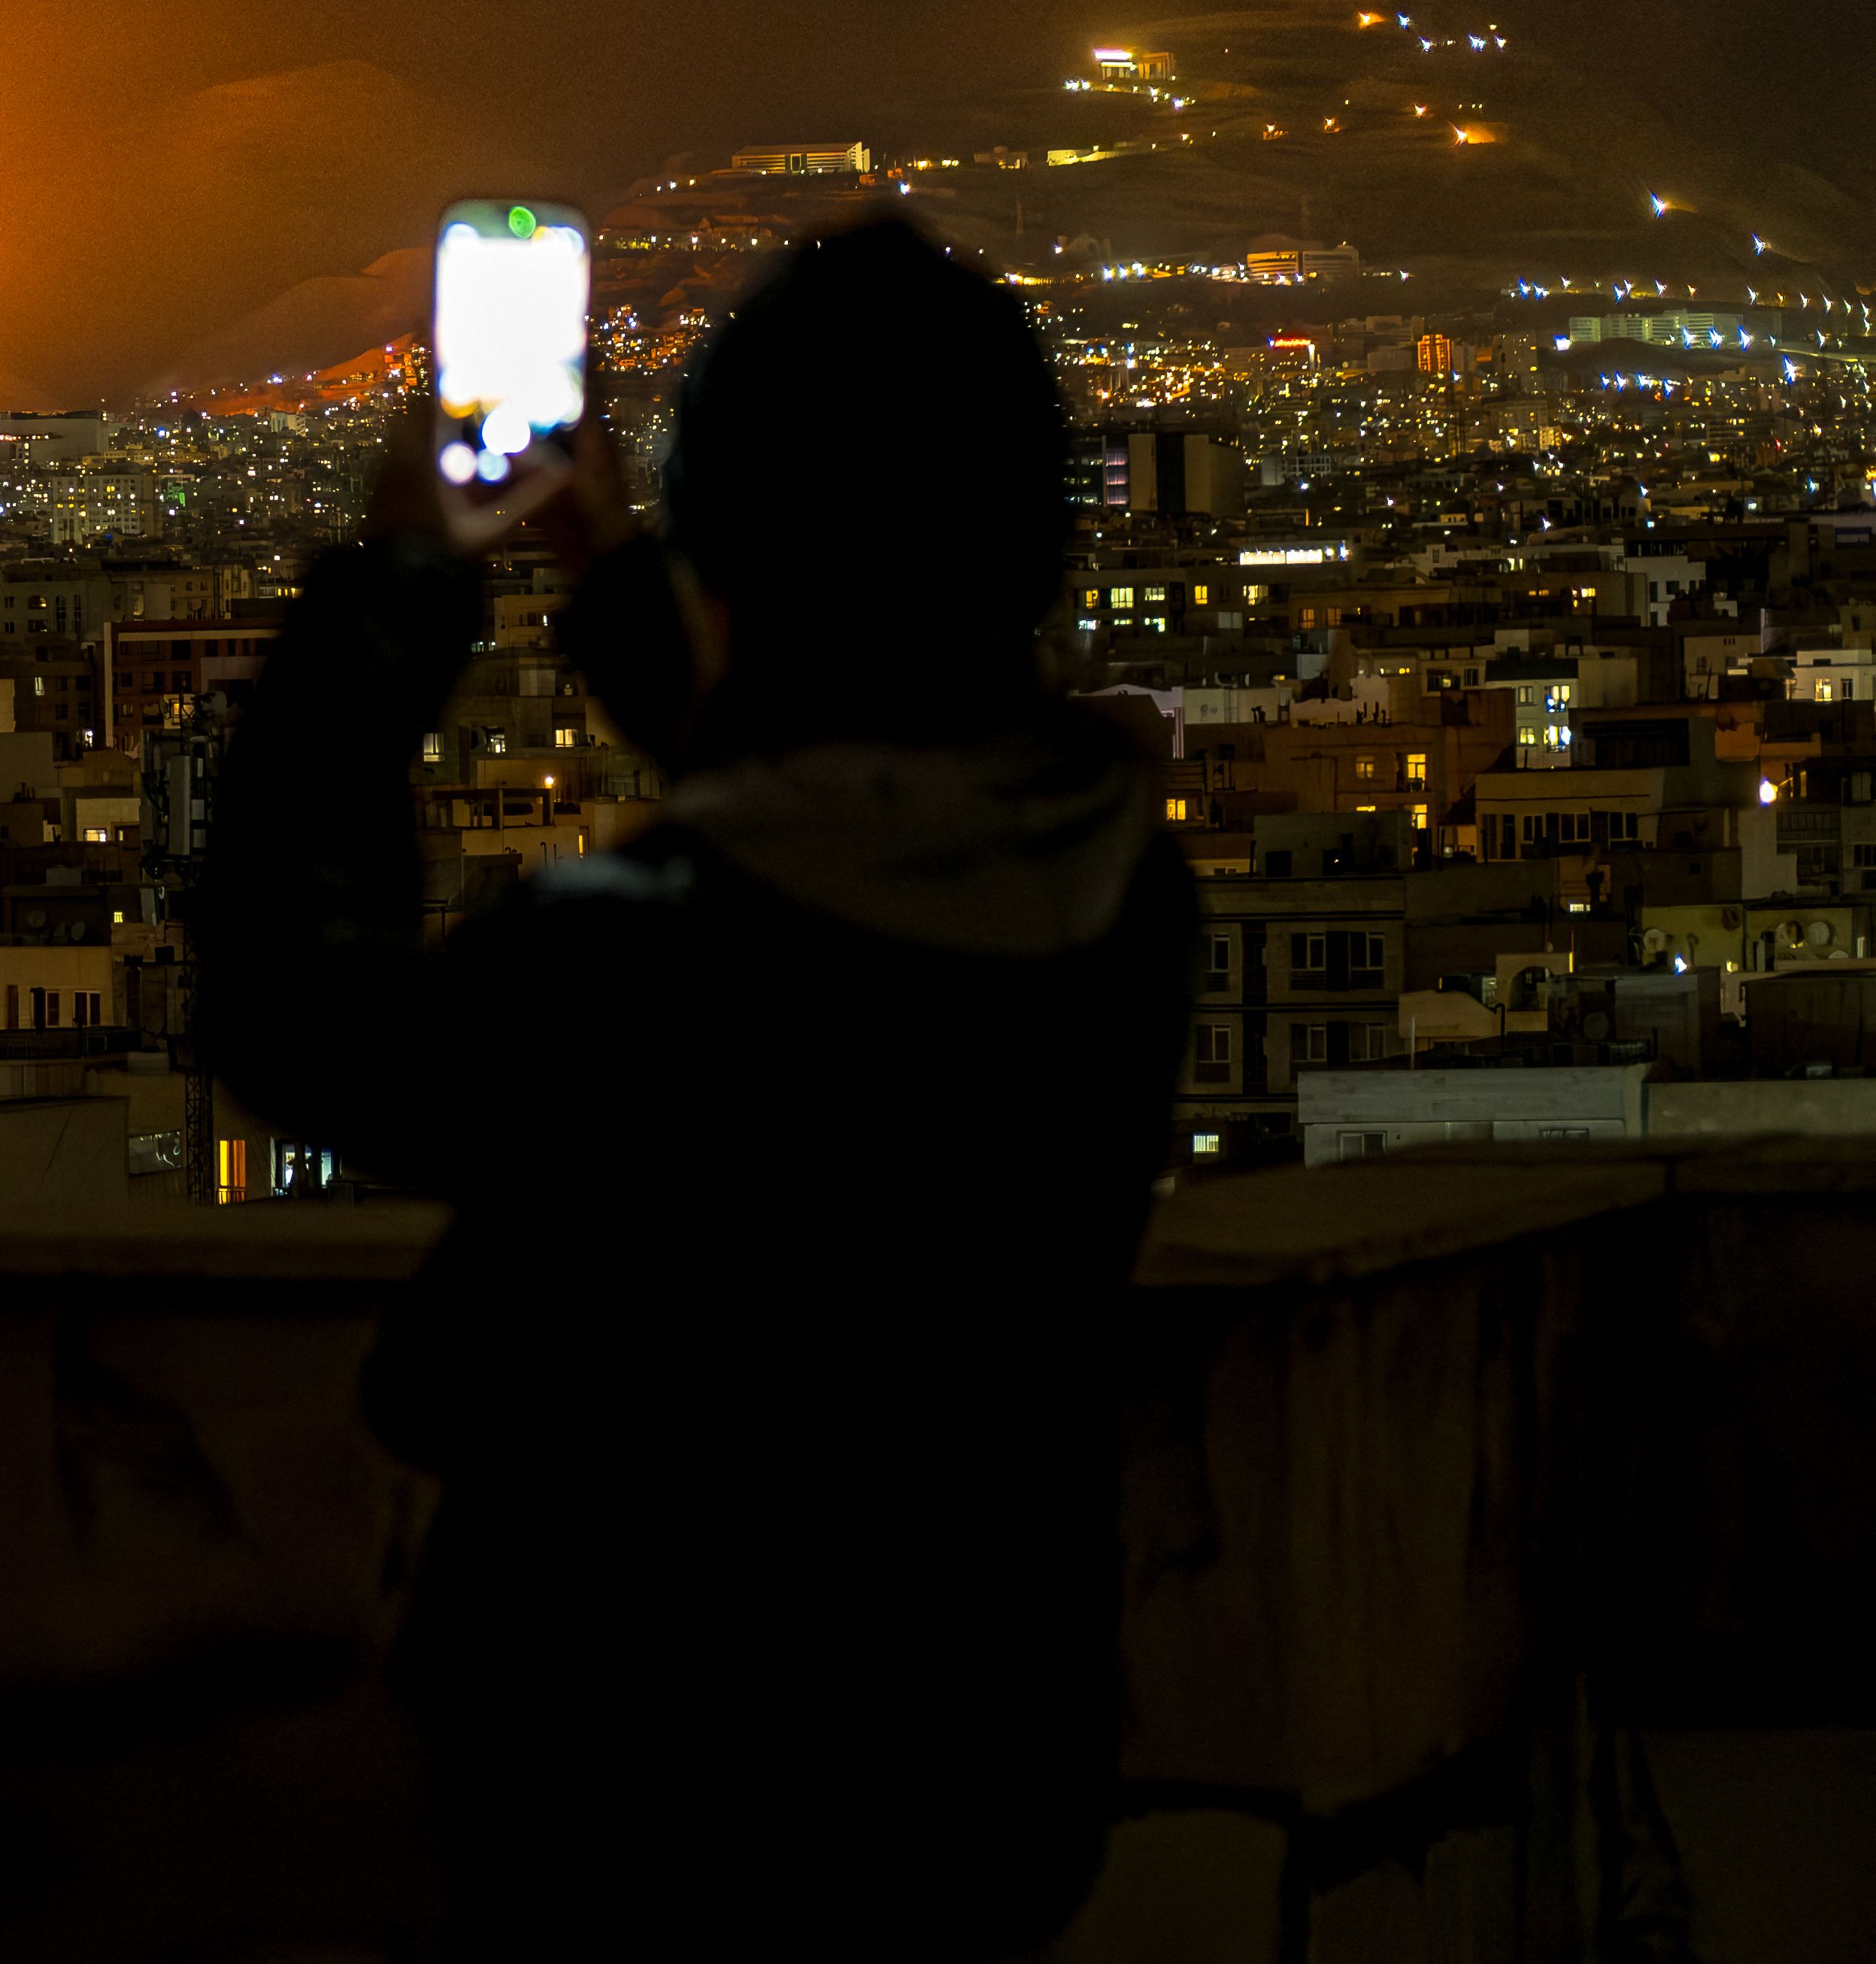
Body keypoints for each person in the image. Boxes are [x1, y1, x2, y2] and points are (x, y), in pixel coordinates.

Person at [189, 210, 1188, 1962]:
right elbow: (853, 794)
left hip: (630, 1790)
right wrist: (609, 576)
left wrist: (406, 585)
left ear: (741, 555)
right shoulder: (1113, 897)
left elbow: (297, 1020)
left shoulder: (641, 956)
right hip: (976, 1773)